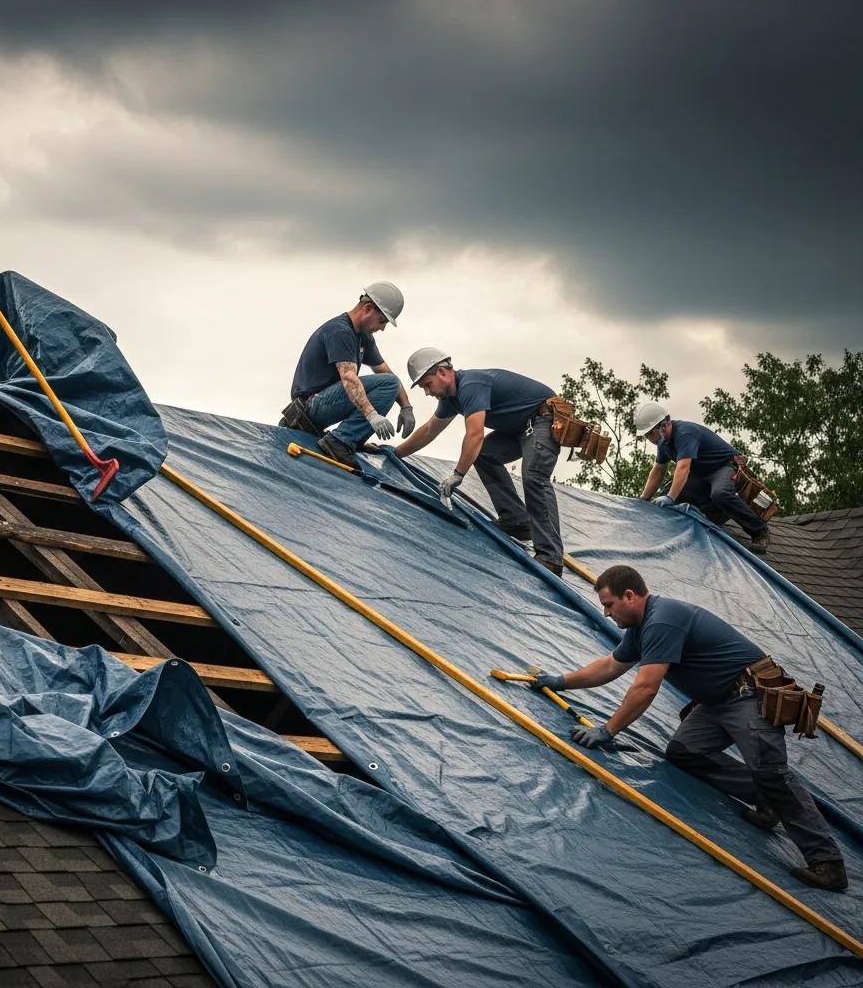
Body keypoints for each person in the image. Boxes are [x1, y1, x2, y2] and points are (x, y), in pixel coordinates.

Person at [532, 564, 847, 892]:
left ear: (630, 596)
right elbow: (610, 665)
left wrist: (609, 730)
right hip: (717, 701)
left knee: (772, 772)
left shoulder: (662, 621)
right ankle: (765, 799)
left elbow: (646, 687)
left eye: (609, 604)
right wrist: (561, 682)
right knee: (685, 751)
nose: (606, 613)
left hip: (748, 696)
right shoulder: (641, 628)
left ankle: (828, 863)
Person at [395, 348, 563, 575]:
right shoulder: (451, 399)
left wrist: (458, 474)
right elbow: (429, 431)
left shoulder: (471, 385)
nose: (427, 392)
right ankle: (517, 520)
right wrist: (394, 453)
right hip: (519, 429)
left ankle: (551, 558)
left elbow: (475, 434)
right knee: (483, 454)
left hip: (543, 420)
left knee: (534, 476)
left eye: (427, 384)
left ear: (442, 373)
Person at [287, 281, 414, 468]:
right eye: (382, 321)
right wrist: (372, 416)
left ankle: (350, 440)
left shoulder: (363, 337)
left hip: (322, 404)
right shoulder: (340, 331)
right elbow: (349, 379)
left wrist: (406, 407)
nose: (382, 328)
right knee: (389, 384)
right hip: (310, 406)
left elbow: (384, 370)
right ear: (368, 308)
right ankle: (341, 440)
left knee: (389, 382)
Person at [634, 402, 770, 554]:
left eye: (650, 434)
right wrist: (644, 499)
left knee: (720, 493)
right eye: (646, 436)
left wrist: (670, 497)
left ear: (664, 425)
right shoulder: (663, 443)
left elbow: (683, 468)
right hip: (702, 474)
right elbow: (658, 470)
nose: (649, 439)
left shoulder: (685, 433)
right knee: (669, 494)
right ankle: (718, 513)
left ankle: (760, 531)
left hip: (725, 467)